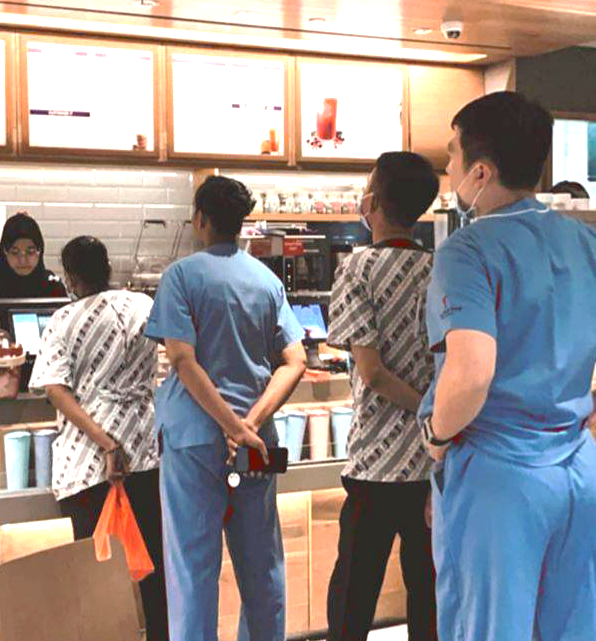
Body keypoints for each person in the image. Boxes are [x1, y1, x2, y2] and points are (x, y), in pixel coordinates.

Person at [418, 91, 596, 641]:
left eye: (451, 155)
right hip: (578, 471)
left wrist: (435, 435)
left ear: (480, 171)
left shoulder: (467, 251)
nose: (447, 168)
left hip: (500, 477)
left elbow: (471, 372)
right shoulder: (585, 241)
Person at [144, 175, 307, 641]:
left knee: (193, 570)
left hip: (195, 442)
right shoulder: (266, 280)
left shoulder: (181, 276)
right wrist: (248, 424)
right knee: (261, 565)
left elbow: (181, 358)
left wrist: (229, 425)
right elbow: (294, 361)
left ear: (200, 220)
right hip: (255, 446)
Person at [28, 235, 169, 641]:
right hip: (145, 449)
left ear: (70, 277)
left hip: (87, 460)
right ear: (108, 267)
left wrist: (106, 442)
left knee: (93, 571)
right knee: (155, 566)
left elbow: (55, 388)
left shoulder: (63, 319)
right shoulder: (143, 305)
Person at [326, 152, 439, 641]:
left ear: (371, 201)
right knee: (428, 592)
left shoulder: (357, 268)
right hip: (431, 462)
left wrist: (421, 407)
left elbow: (370, 373)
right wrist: (435, 414)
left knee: (353, 595)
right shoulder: (441, 268)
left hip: (374, 464)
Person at [0, 212, 66, 334]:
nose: (23, 260)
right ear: (4, 252)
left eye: (30, 252)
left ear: (40, 251)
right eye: (15, 252)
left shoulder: (52, 284)